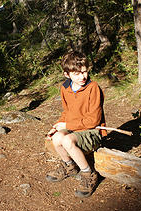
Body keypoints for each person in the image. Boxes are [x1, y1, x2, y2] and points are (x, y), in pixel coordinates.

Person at [46, 51, 107, 198]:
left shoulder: (93, 88)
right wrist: (57, 125)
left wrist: (68, 124)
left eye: (85, 72)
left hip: (92, 131)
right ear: (67, 75)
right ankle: (70, 166)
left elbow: (93, 121)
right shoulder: (65, 88)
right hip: (75, 127)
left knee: (67, 140)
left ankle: (88, 173)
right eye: (77, 74)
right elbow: (67, 112)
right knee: (57, 138)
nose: (82, 77)